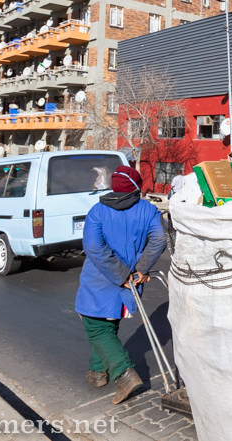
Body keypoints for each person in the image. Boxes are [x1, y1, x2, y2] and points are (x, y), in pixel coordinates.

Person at [75, 165, 167, 405]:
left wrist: (120, 274)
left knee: (95, 326)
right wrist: (140, 270)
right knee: (108, 321)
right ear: (135, 187)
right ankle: (97, 372)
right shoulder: (148, 210)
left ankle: (124, 374)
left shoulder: (97, 211)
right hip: (131, 279)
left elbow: (94, 247)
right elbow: (159, 239)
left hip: (100, 278)